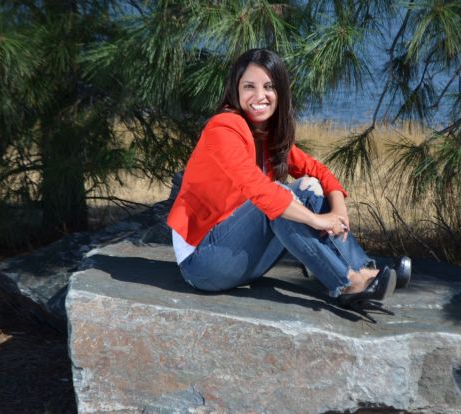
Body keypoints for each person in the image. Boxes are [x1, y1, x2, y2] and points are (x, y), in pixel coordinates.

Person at [167, 48, 410, 310]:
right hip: (202, 262)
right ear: (235, 90)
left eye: (269, 87)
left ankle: (364, 272)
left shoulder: (266, 135)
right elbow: (260, 190)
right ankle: (348, 283)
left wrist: (338, 212)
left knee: (308, 186)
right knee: (277, 196)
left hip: (239, 256)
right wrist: (316, 220)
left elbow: (319, 172)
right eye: (249, 86)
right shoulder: (223, 128)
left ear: (280, 91)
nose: (259, 96)